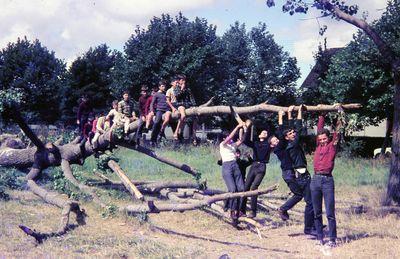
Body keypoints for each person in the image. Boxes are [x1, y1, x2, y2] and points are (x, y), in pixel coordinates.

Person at [311, 104, 344, 247]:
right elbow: (319, 129)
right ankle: (319, 237)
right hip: (315, 180)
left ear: (328, 138)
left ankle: (332, 239)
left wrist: (340, 113)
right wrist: (321, 115)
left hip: (327, 181)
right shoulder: (318, 146)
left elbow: (338, 130)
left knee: (330, 212)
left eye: (325, 138)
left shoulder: (332, 146)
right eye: (321, 139)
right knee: (317, 212)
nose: (323, 140)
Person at [284, 105, 315, 235]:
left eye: (292, 133)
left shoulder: (291, 145)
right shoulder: (293, 145)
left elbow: (295, 130)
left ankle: (312, 226)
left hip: (302, 174)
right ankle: (309, 228)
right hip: (302, 175)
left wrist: (290, 113)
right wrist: (300, 113)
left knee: (309, 201)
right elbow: (299, 128)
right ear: (287, 138)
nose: (293, 134)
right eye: (290, 134)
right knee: (310, 202)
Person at [275, 109, 305, 221]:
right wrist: (283, 116)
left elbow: (286, 131)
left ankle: (284, 210)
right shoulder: (282, 148)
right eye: (273, 141)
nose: (276, 141)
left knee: (300, 193)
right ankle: (283, 209)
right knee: (298, 194)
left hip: (290, 172)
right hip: (288, 173)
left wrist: (286, 114)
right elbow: (283, 132)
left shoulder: (284, 146)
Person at [240, 120, 274, 218]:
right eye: (263, 132)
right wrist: (248, 127)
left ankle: (253, 212)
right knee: (246, 188)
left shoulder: (268, 145)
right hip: (253, 166)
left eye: (266, 133)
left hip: (262, 167)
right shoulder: (255, 143)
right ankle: (242, 210)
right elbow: (245, 140)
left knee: (254, 188)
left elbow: (275, 139)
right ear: (259, 135)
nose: (266, 133)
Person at [219, 122, 246, 223]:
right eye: (227, 137)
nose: (230, 138)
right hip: (227, 167)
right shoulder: (223, 145)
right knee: (233, 189)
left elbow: (242, 139)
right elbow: (230, 136)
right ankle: (232, 210)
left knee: (241, 189)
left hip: (235, 166)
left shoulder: (233, 146)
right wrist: (237, 126)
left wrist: (244, 128)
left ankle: (238, 210)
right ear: (223, 139)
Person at [175, 75, 197, 141]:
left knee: (195, 118)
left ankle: (194, 137)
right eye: (182, 80)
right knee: (183, 115)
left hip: (188, 105)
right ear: (179, 81)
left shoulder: (188, 89)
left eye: (184, 80)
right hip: (180, 105)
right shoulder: (176, 88)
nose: (184, 81)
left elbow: (192, 98)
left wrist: (194, 105)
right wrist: (181, 89)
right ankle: (176, 132)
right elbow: (177, 97)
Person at [149, 80, 172, 145]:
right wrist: (152, 111)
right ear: (159, 87)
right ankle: (152, 139)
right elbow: (152, 104)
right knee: (156, 123)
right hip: (160, 110)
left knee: (170, 124)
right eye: (162, 86)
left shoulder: (166, 94)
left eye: (164, 86)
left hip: (167, 110)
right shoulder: (156, 94)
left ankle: (163, 139)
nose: (164, 87)